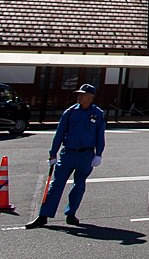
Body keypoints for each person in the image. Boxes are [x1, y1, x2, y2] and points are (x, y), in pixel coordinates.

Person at [26, 84, 106, 229]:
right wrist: (53, 153)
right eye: (79, 94)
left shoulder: (97, 113)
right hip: (68, 153)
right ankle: (44, 215)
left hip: (86, 154)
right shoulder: (70, 112)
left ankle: (71, 213)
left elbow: (100, 135)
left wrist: (99, 154)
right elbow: (60, 133)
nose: (79, 96)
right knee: (56, 185)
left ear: (91, 97)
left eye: (83, 94)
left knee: (79, 185)